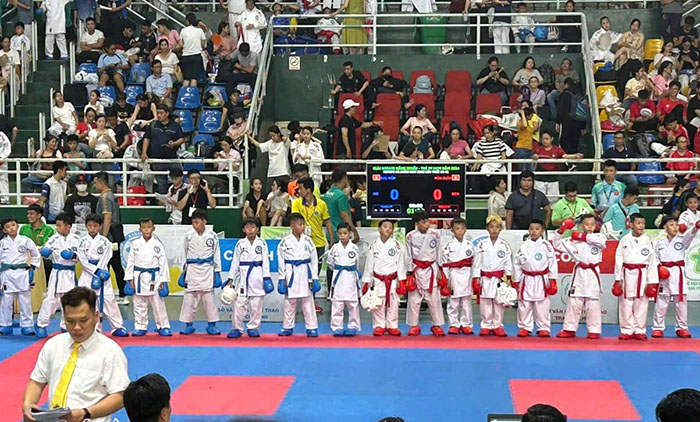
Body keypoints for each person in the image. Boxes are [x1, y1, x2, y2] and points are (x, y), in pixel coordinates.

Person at [22, 287, 130, 422]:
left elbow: (120, 396)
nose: (77, 327)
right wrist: (28, 405)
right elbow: (37, 381)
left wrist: (86, 413)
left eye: (83, 320)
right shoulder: (53, 345)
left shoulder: (110, 352)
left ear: (96, 316)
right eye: (70, 321)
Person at [553, 215, 607, 339]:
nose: (589, 227)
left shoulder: (599, 237)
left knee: (592, 303)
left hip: (592, 273)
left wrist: (582, 236)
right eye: (586, 224)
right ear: (581, 225)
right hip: (579, 273)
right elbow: (557, 244)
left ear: (596, 226)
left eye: (592, 224)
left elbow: (602, 243)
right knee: (574, 302)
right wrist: (561, 231)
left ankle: (594, 330)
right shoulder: (573, 241)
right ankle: (569, 329)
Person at [76, 212, 128, 338]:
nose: (92, 228)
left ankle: (117, 327)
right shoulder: (81, 242)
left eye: (95, 226)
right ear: (86, 226)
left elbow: (106, 257)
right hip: (87, 274)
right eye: (90, 226)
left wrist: (99, 272)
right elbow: (82, 260)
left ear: (100, 226)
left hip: (103, 273)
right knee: (88, 302)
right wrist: (95, 271)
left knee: (109, 300)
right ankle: (94, 328)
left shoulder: (105, 242)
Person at [613, 213, 659, 340]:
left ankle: (640, 329)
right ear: (631, 224)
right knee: (626, 303)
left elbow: (652, 261)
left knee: (641, 303)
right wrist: (618, 279)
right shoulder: (624, 240)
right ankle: (627, 329)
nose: (641, 226)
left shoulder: (648, 240)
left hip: (642, 273)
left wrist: (652, 281)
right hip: (626, 273)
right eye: (638, 223)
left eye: (643, 223)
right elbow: (618, 259)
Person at [35, 213, 81, 337]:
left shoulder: (77, 239)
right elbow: (46, 252)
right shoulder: (53, 239)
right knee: (51, 300)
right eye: (56, 225)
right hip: (57, 273)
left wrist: (73, 255)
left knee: (70, 300)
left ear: (68, 226)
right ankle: (41, 324)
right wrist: (45, 252)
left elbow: (82, 255)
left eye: (59, 225)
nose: (57, 228)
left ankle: (65, 325)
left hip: (70, 272)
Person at [124, 217, 171, 336]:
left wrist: (164, 280)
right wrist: (129, 279)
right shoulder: (135, 243)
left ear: (153, 228)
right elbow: (130, 262)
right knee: (139, 304)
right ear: (140, 229)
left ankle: (163, 326)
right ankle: (140, 326)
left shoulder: (157, 244)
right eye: (143, 227)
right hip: (138, 277)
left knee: (158, 304)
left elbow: (163, 263)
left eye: (149, 227)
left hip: (154, 277)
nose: (146, 230)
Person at [652, 216, 696, 338]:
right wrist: (659, 267)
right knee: (661, 302)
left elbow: (690, 234)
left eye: (676, 225)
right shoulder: (659, 243)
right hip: (664, 274)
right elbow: (654, 257)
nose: (675, 227)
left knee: (681, 303)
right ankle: (658, 327)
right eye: (671, 225)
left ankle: (682, 327)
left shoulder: (682, 240)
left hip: (677, 274)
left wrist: (696, 227)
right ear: (664, 227)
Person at [179, 210, 222, 336]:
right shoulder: (188, 236)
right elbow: (184, 253)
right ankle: (188, 325)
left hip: (207, 269)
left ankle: (212, 325)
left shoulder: (212, 236)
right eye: (193, 222)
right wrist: (184, 271)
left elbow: (216, 255)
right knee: (189, 299)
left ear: (204, 222)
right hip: (192, 269)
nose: (194, 225)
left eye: (197, 222)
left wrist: (217, 272)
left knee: (209, 299)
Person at [227, 217, 272, 338]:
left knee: (256, 305)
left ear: (257, 229)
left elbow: (266, 262)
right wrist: (231, 278)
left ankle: (253, 327)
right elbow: (235, 262)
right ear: (243, 229)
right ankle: (237, 328)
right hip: (243, 276)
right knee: (239, 304)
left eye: (253, 227)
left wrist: (266, 278)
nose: (250, 230)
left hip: (258, 275)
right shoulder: (240, 244)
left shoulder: (262, 243)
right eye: (247, 227)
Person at [277, 213, 320, 337]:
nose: (302, 227)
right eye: (300, 225)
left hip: (305, 272)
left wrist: (315, 277)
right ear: (292, 226)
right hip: (290, 272)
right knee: (290, 302)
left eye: (303, 224)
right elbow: (281, 261)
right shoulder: (284, 242)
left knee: (308, 302)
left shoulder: (308, 241)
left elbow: (314, 259)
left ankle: (311, 327)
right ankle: (287, 327)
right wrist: (281, 278)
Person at [514, 219, 558, 337]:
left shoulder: (546, 245)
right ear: (528, 230)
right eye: (531, 229)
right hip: (527, 278)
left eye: (537, 229)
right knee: (524, 304)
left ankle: (543, 327)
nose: (534, 231)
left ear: (542, 231)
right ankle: (525, 327)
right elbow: (517, 264)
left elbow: (552, 263)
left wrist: (552, 279)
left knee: (542, 304)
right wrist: (516, 280)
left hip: (541, 278)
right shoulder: (523, 246)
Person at [362, 219, 406, 337]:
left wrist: (401, 279)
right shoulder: (374, 245)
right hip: (378, 278)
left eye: (390, 227)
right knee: (378, 303)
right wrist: (367, 280)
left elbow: (400, 263)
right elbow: (369, 263)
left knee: (393, 303)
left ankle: (392, 325)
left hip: (392, 278)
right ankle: (379, 325)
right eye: (385, 226)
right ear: (379, 229)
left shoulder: (397, 245)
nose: (388, 229)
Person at [405, 210, 445, 337]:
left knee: (434, 299)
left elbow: (439, 252)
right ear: (417, 224)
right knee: (414, 300)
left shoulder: (435, 234)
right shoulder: (410, 236)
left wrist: (440, 269)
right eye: (423, 222)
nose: (427, 224)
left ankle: (437, 325)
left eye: (427, 221)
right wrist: (409, 272)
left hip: (431, 269)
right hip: (416, 269)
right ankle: (414, 325)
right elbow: (408, 255)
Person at [473, 214, 512, 337]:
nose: (494, 230)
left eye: (497, 227)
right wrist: (476, 278)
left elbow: (508, 263)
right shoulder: (481, 244)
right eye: (491, 227)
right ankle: (486, 325)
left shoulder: (504, 245)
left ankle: (497, 325)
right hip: (485, 277)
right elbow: (477, 262)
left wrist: (509, 278)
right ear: (487, 228)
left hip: (499, 278)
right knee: (485, 302)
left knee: (499, 302)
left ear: (501, 229)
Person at [0, 216, 40, 336]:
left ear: (17, 226)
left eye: (13, 225)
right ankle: (5, 325)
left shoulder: (25, 240)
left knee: (25, 300)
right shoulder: (2, 243)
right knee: (6, 301)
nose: (11, 228)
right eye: (8, 227)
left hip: (22, 273)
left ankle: (27, 325)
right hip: (7, 273)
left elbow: (36, 254)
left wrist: (32, 267)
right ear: (4, 230)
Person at [94, 171, 126, 304]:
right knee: (116, 264)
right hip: (115, 233)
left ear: (101, 182)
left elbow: (107, 217)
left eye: (95, 183)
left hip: (110, 235)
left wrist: (103, 237)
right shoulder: (112, 195)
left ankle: (105, 292)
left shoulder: (105, 197)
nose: (94, 186)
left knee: (106, 264)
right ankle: (122, 293)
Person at [439, 217, 475, 335]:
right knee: (453, 302)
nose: (460, 231)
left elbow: (475, 263)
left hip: (467, 275)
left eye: (462, 228)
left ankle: (466, 324)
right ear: (452, 231)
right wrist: (446, 278)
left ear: (465, 230)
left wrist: (474, 277)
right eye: (457, 229)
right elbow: (444, 263)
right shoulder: (448, 245)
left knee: (466, 302)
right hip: (453, 275)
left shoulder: (470, 245)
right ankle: (454, 324)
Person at [141, 104, 185, 194]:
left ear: (167, 114)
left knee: (178, 178)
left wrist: (175, 143)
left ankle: (178, 197)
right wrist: (144, 152)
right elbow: (146, 139)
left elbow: (182, 138)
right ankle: (163, 200)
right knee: (161, 183)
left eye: (161, 113)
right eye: (157, 113)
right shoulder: (153, 125)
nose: (159, 115)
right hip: (157, 159)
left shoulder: (175, 126)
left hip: (172, 158)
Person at [326, 222, 361, 336]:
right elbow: (330, 263)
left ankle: (353, 326)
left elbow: (357, 263)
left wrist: (356, 272)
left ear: (350, 233)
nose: (342, 235)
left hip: (351, 277)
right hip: (339, 277)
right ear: (337, 234)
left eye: (345, 233)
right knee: (337, 304)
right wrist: (339, 269)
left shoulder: (354, 248)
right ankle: (337, 327)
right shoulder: (334, 248)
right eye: (340, 233)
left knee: (353, 303)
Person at [248, 125, 291, 192]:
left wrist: (283, 138)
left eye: (274, 135)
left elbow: (286, 140)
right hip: (271, 173)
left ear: (278, 134)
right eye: (271, 136)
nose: (272, 138)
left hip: (283, 172)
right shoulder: (269, 143)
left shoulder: (284, 143)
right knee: (269, 193)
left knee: (284, 193)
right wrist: (249, 137)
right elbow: (259, 145)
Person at [323, 169, 360, 246]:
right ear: (344, 178)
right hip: (341, 235)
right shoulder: (341, 196)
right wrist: (354, 232)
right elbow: (345, 216)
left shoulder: (327, 194)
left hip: (330, 234)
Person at [472, 126, 508, 194]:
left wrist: (502, 163)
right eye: (485, 133)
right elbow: (479, 156)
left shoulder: (499, 142)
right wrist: (475, 165)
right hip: (487, 164)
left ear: (492, 133)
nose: (486, 135)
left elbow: (503, 155)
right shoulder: (481, 143)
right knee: (482, 175)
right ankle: (489, 192)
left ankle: (498, 192)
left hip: (498, 164)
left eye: (488, 133)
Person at [555, 78, 586, 154]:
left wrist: (557, 122)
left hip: (566, 121)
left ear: (566, 85)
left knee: (564, 143)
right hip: (579, 122)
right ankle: (574, 159)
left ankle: (566, 159)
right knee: (575, 143)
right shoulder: (580, 95)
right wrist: (584, 126)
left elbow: (561, 109)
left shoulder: (564, 94)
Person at [178, 13, 206, 87]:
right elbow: (203, 45)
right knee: (194, 78)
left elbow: (181, 45)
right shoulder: (199, 30)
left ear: (188, 20)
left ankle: (184, 93)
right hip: (196, 56)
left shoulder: (183, 30)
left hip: (185, 56)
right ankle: (193, 93)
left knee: (186, 79)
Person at [513, 101, 541, 170]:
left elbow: (535, 128)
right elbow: (524, 126)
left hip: (529, 150)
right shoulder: (520, 123)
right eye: (531, 115)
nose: (532, 116)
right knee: (523, 171)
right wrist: (522, 113)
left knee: (530, 171)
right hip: (521, 149)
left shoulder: (528, 124)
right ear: (527, 116)